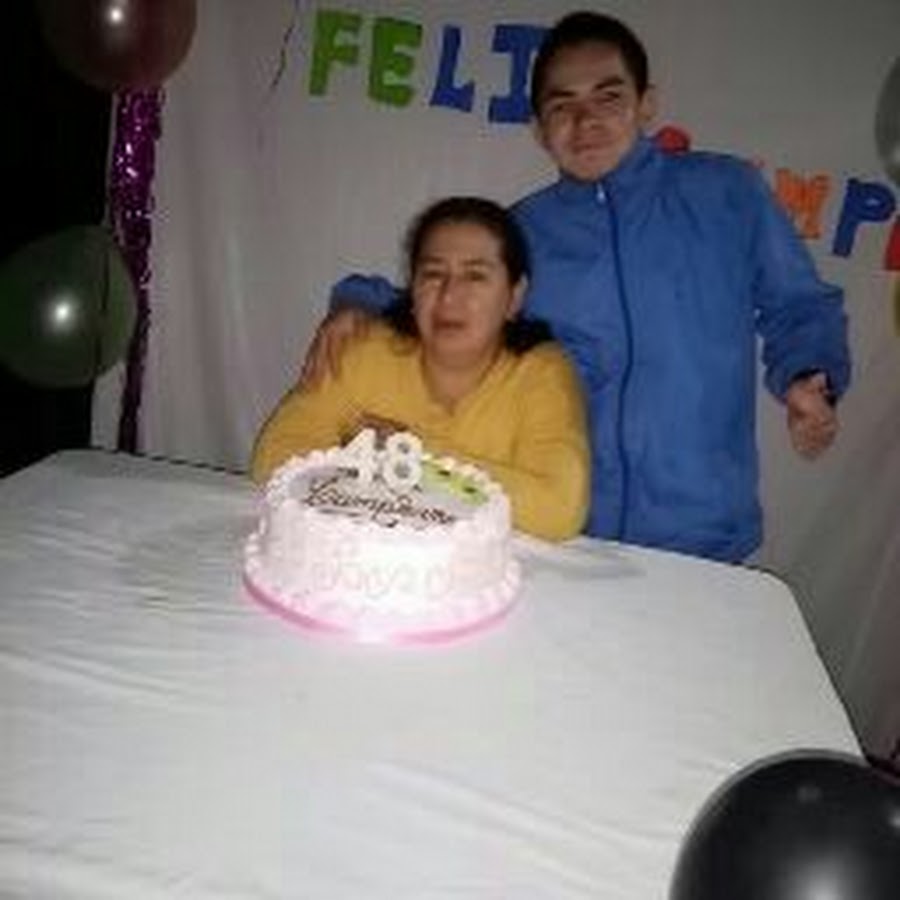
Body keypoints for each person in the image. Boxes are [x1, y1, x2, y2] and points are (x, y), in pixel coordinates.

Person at [300, 11, 850, 563]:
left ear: (646, 103)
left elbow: (800, 304)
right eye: (562, 107)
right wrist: (358, 303)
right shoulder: (524, 233)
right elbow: (442, 301)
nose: (585, 122)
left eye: (608, 98)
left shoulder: (727, 193)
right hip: (564, 534)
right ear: (540, 128)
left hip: (705, 535)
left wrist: (809, 376)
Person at [252, 196, 590, 542]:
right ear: (412, 289)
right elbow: (274, 454)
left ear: (514, 296)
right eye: (433, 274)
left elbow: (559, 510)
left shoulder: (543, 372)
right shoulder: (362, 351)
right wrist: (376, 468)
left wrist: (409, 455)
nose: (449, 296)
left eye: (475, 276)